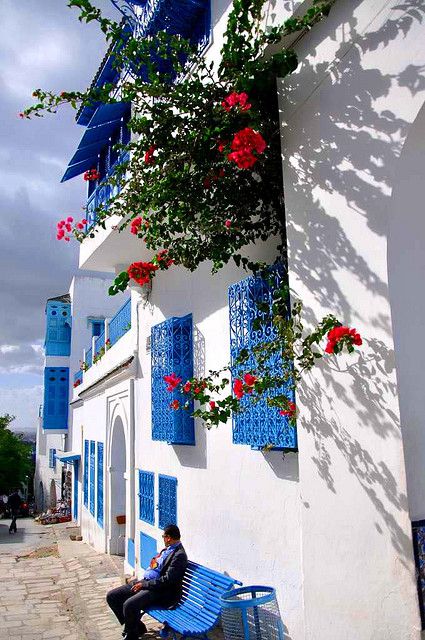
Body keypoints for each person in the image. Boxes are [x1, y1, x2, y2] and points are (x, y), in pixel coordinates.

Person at [107, 524, 187, 640]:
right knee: (113, 596)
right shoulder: (167, 549)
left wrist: (143, 585)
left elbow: (166, 580)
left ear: (169, 538)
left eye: (164, 536)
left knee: (129, 605)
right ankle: (136, 627)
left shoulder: (179, 555)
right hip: (147, 583)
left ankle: (132, 635)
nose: (163, 539)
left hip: (160, 590)